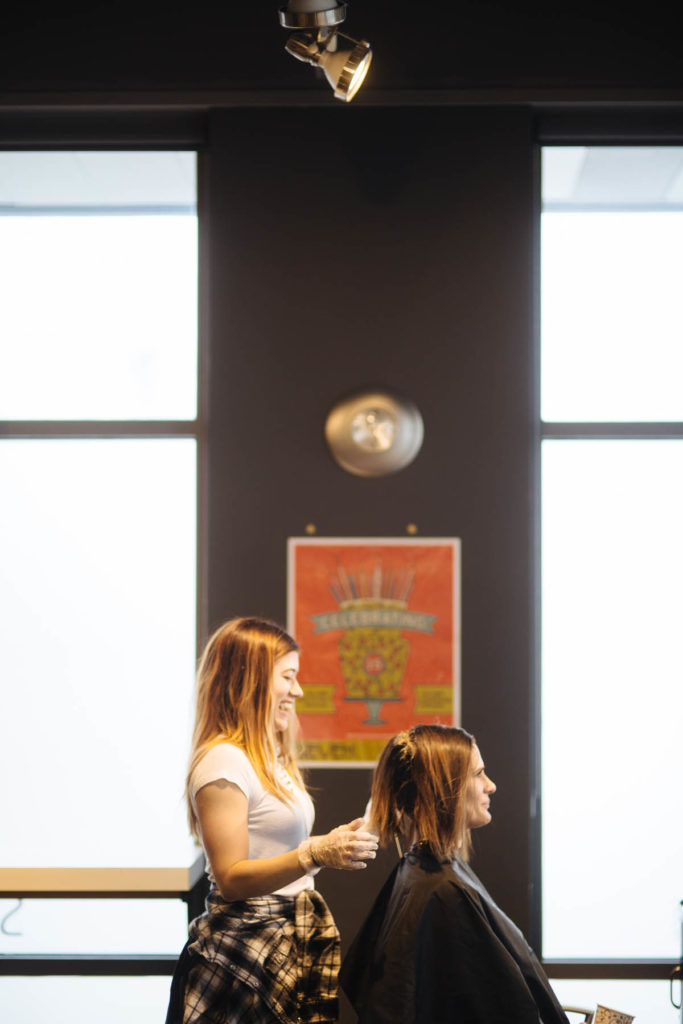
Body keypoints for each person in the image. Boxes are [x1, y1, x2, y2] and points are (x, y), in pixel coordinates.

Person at [166, 616, 378, 1024]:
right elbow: (231, 878)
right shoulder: (224, 760)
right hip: (240, 961)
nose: (297, 690)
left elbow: (277, 849)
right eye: (288, 677)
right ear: (251, 680)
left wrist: (331, 845)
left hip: (278, 946)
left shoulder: (269, 759)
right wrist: (315, 853)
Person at [340, 724, 569, 1024]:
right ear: (445, 789)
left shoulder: (423, 874)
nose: (491, 786)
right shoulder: (443, 890)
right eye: (478, 774)